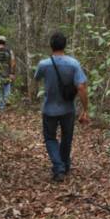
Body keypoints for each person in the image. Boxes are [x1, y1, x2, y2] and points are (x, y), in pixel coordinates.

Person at [34, 31, 88, 182]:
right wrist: (85, 110)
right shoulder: (73, 64)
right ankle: (63, 165)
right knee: (67, 137)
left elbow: (36, 77)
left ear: (51, 46)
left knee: (50, 138)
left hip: (49, 108)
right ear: (65, 45)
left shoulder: (44, 64)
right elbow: (82, 87)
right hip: (68, 109)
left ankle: (59, 168)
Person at [0, 35, 15, 110]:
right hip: (7, 73)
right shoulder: (9, 50)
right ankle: (7, 99)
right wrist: (12, 73)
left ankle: (1, 107)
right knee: (7, 88)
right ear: (5, 42)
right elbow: (13, 62)